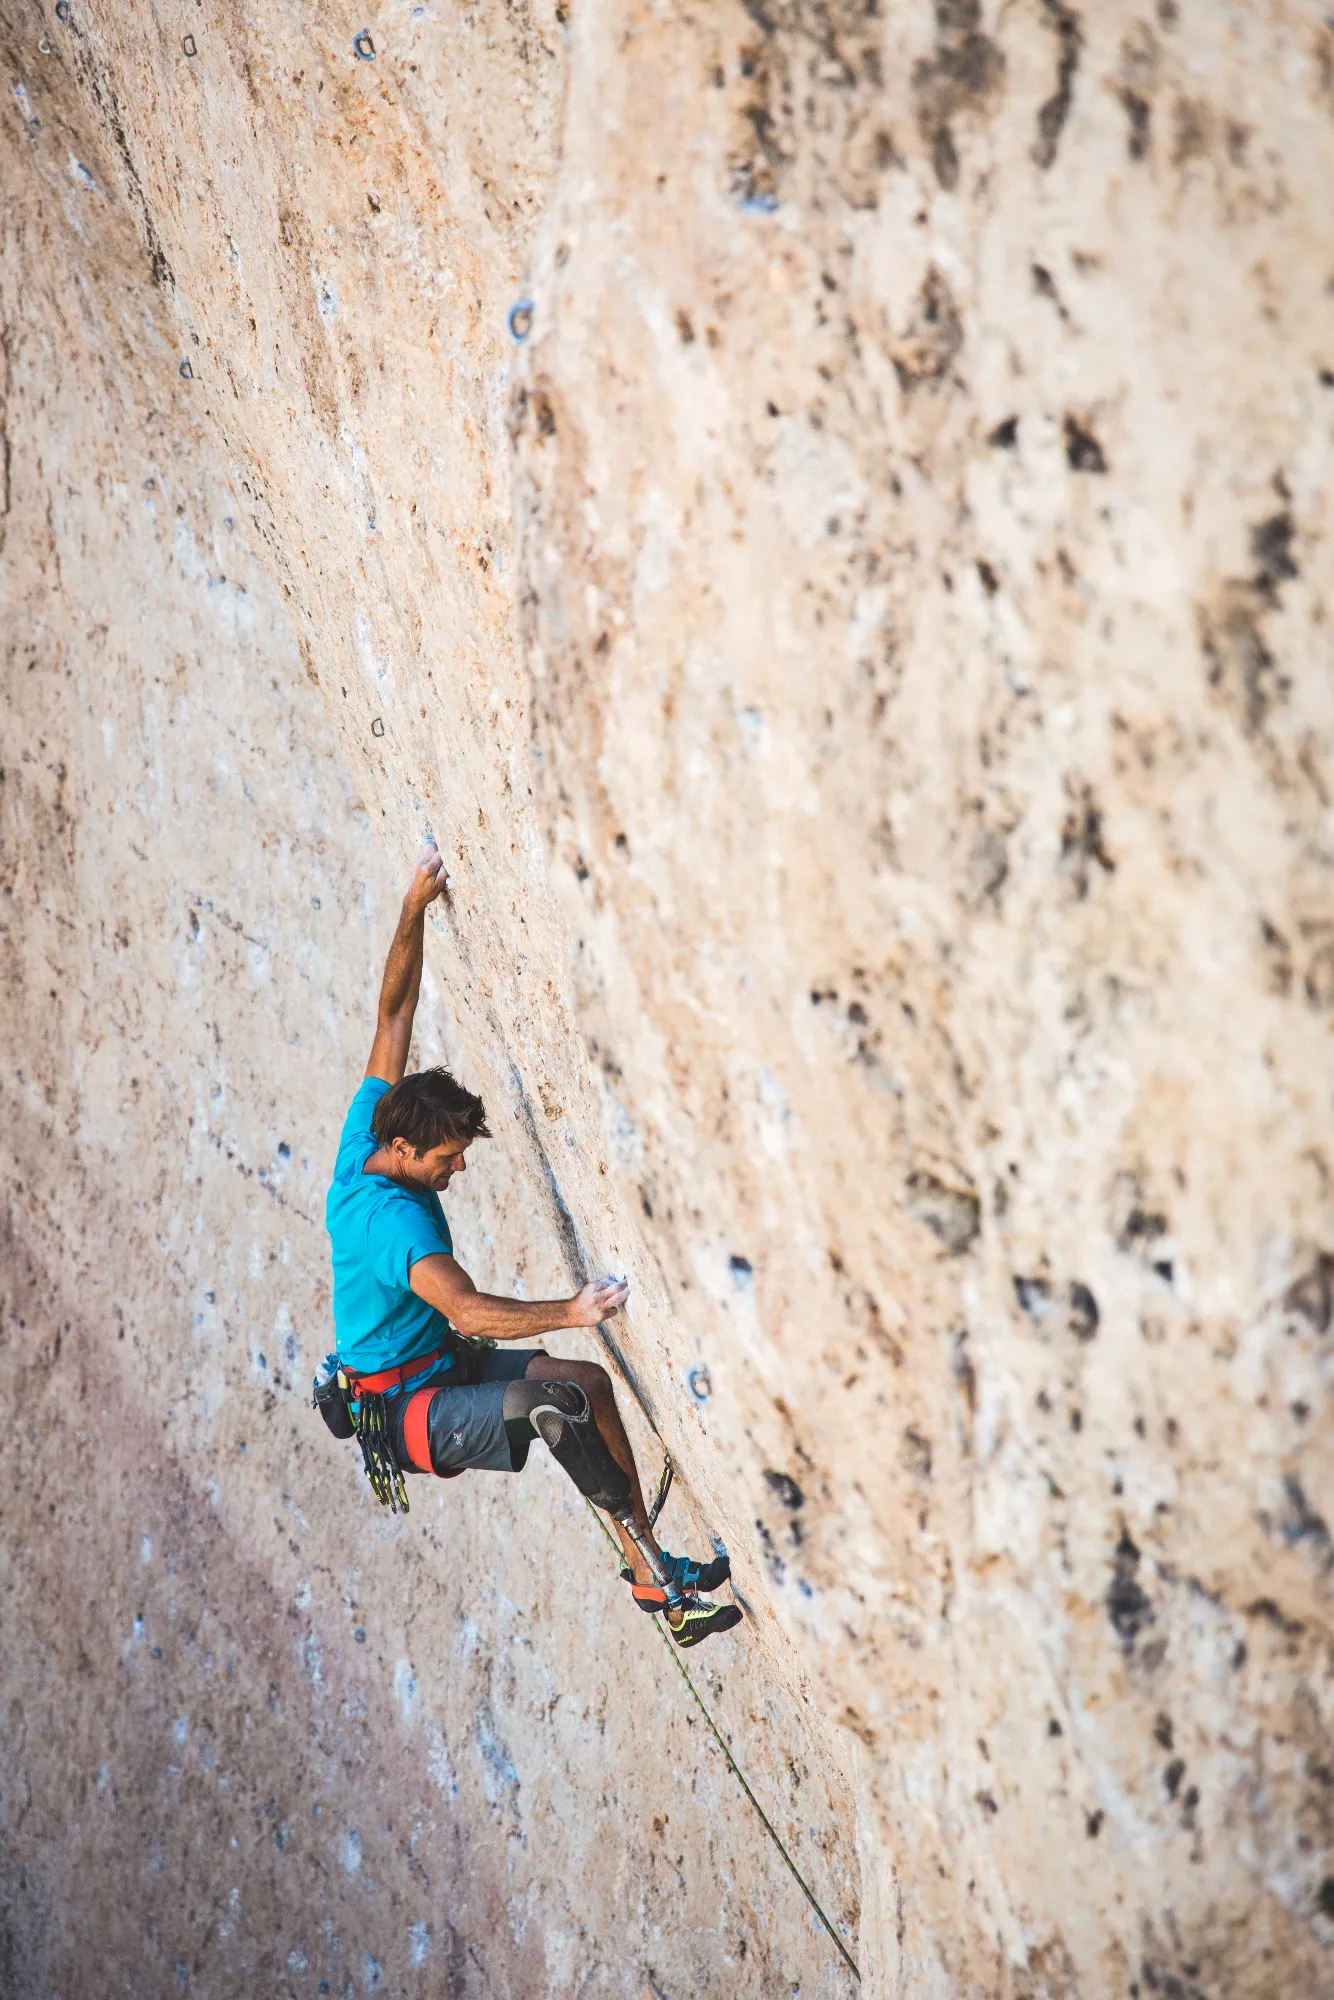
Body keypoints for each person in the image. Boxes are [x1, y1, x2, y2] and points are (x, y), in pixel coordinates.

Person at [322, 841, 740, 1648]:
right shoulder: (394, 1224)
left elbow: (394, 1015)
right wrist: (573, 1309)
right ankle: (660, 1583)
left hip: (435, 1366)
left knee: (585, 1385)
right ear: (406, 1152)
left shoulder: (365, 1138)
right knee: (550, 1403)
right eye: (448, 1157)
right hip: (411, 1414)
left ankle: (650, 1565)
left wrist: (412, 909)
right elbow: (471, 1309)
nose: (459, 1165)